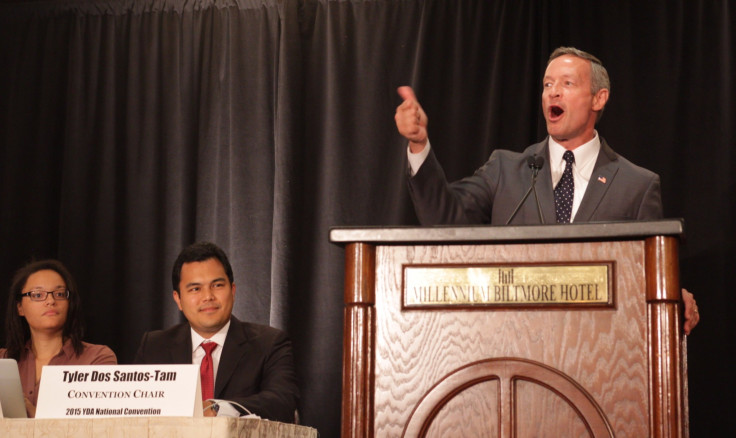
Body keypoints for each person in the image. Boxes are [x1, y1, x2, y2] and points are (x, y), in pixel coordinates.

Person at [395, 46, 699, 334]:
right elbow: (443, 220)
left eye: (567, 83)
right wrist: (419, 145)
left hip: (598, 354)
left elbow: (649, 273)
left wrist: (669, 296)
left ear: (598, 98)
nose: (552, 91)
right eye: (547, 84)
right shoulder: (506, 169)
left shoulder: (637, 186)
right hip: (513, 344)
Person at [134, 241, 299, 423]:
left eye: (217, 285)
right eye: (195, 289)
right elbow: (134, 410)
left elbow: (283, 402)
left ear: (233, 291)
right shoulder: (154, 346)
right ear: (178, 299)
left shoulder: (269, 343)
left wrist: (220, 408)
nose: (208, 297)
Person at [1, 259, 117, 417]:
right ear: (20, 307)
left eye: (60, 294)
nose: (50, 301)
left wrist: (31, 412)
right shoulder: (3, 359)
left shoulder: (97, 358)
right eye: (38, 295)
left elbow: (96, 427)